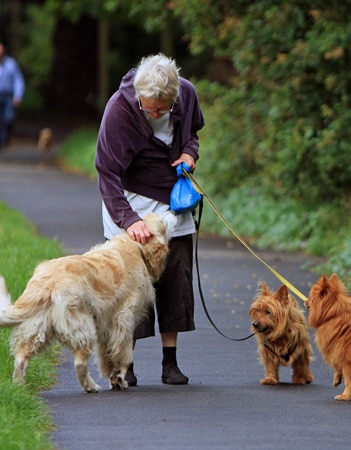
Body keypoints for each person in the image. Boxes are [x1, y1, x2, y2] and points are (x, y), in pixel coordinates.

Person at [95, 53, 204, 385]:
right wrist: (129, 220)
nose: (156, 114)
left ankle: (170, 362)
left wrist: (189, 153)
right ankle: (126, 364)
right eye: (150, 108)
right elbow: (107, 172)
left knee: (176, 276)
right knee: (130, 288)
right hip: (130, 202)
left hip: (174, 203)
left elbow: (192, 135)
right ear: (138, 95)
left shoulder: (185, 92)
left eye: (162, 109)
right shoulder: (119, 109)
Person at [0, 43, 25, 150]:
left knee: (8, 118)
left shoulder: (11, 64)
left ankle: (4, 139)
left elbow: (18, 80)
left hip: (8, 96)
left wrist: (18, 95)